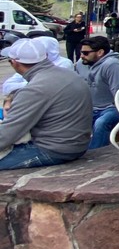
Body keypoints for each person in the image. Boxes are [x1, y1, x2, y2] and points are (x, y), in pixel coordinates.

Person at [0, 39, 91, 169]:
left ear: (14, 63)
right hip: (76, 145)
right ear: (45, 57)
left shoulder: (34, 89)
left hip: (53, 150)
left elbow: (9, 133)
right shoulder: (70, 74)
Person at [77, 35, 119, 150]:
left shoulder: (112, 65)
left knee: (101, 123)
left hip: (112, 107)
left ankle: (96, 154)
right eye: (81, 52)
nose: (82, 56)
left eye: (86, 53)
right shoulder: (81, 64)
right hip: (90, 107)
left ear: (100, 52)